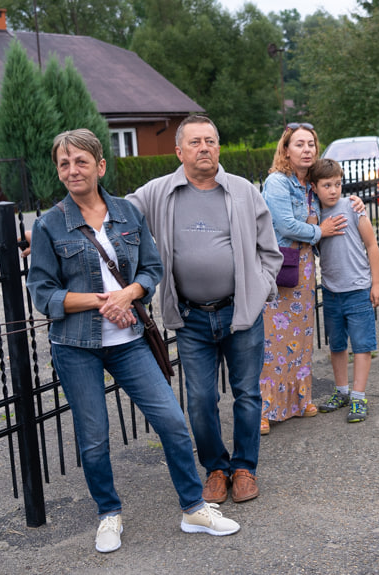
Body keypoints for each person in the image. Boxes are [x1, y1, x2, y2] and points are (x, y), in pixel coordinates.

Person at [27, 129, 240, 554]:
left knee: (173, 423)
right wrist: (101, 301)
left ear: (100, 166)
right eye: (64, 163)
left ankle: (194, 509)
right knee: (94, 436)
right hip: (75, 346)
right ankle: (109, 513)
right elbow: (42, 294)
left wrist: (130, 294)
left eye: (81, 161)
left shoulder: (126, 212)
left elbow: (152, 268)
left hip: (128, 340)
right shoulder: (49, 225)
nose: (72, 170)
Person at [126, 115, 282, 505]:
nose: (204, 148)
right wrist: (44, 231)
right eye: (195, 142)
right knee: (199, 399)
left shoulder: (244, 191)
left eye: (210, 141)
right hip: (191, 317)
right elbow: (113, 214)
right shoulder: (158, 192)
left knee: (247, 394)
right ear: (179, 151)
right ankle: (216, 468)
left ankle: (244, 468)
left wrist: (259, 289)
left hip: (240, 313)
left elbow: (270, 251)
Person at [259, 123, 358, 435]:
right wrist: (320, 232)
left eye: (311, 144)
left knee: (301, 338)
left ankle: (298, 402)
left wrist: (355, 203)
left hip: (303, 268)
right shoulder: (278, 182)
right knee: (271, 341)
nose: (306, 150)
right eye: (299, 144)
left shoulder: (310, 184)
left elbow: (333, 199)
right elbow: (285, 224)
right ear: (286, 150)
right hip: (280, 265)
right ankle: (264, 409)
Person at [308, 159, 379, 423]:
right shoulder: (314, 214)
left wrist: (377, 283)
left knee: (362, 346)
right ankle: (341, 391)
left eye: (337, 184)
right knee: (337, 345)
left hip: (358, 290)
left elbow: (372, 245)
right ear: (314, 187)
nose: (333, 190)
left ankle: (359, 396)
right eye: (326, 185)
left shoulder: (353, 207)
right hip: (331, 292)